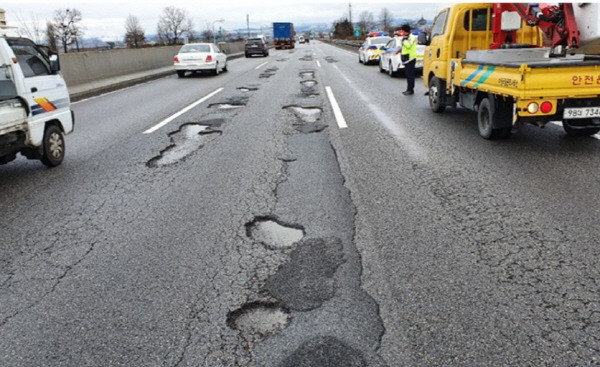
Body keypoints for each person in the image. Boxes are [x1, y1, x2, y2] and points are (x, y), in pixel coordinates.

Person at [398, 24, 417, 95]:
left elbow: (408, 45)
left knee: (410, 75)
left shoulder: (412, 37)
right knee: (408, 74)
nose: (401, 32)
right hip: (406, 58)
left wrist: (404, 40)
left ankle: (410, 89)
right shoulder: (406, 37)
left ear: (405, 30)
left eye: (402, 30)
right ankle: (408, 88)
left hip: (411, 58)